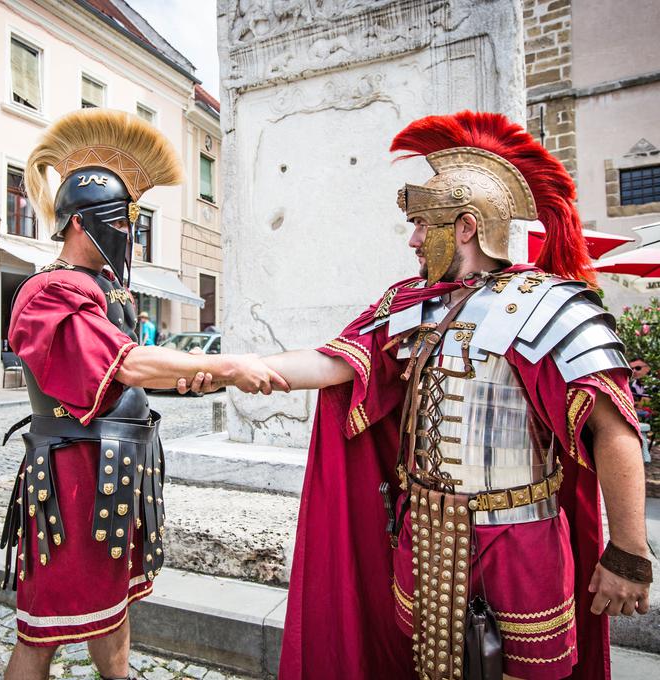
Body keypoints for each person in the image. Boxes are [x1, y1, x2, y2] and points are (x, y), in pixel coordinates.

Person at [246, 112, 652, 680]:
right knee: (430, 668)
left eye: (422, 225)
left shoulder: (550, 304)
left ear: (465, 226)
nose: (412, 239)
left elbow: (614, 429)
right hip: (427, 531)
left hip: (519, 534)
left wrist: (629, 552)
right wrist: (242, 366)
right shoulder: (412, 302)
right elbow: (336, 361)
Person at [0, 108, 287, 680]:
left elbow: (137, 375)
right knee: (45, 631)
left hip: (119, 472)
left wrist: (183, 376)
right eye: (119, 220)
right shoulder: (49, 292)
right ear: (80, 222)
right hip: (72, 481)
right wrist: (225, 364)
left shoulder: (108, 291)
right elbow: (123, 364)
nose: (129, 233)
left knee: (114, 612)